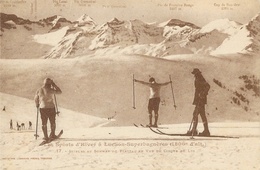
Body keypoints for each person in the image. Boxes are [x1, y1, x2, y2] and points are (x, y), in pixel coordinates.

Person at [188, 68, 210, 136]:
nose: (194, 75)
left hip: (200, 99)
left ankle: (194, 130)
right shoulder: (199, 78)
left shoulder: (200, 78)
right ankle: (205, 131)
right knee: (201, 115)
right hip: (199, 99)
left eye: (194, 73)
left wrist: (202, 94)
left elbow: (207, 86)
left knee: (195, 114)